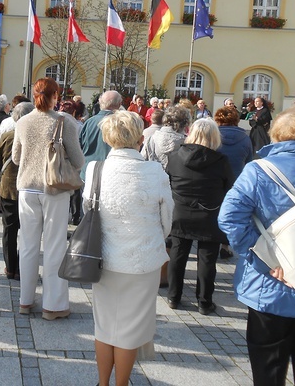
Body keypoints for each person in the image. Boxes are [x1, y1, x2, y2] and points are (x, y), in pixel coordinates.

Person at [219, 107, 295, 386]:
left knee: (268, 371)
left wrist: (265, 261)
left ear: (276, 135)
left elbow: (229, 218)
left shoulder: (258, 171)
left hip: (270, 288)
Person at [84, 111, 172, 386]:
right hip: (142, 260)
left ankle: (102, 383)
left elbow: (88, 210)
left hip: (104, 258)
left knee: (105, 324)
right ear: (138, 136)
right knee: (130, 328)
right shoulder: (155, 171)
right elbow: (167, 219)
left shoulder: (95, 169)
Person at [13, 77, 85, 320]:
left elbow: (15, 158)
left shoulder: (22, 121)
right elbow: (78, 161)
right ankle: (53, 306)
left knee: (28, 245)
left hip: (27, 188)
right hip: (54, 189)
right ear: (55, 96)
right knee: (54, 246)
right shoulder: (66, 122)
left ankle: (25, 301)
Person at [165, 119, 234, 315]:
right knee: (207, 259)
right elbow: (229, 187)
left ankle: (173, 296)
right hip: (209, 213)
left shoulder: (174, 157)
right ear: (215, 137)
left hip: (180, 211)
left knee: (178, 254)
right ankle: (204, 301)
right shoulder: (221, 161)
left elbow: (167, 182)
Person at [0, 101, 34, 280]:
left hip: (9, 189)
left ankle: (10, 268)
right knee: (28, 231)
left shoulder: (8, 136)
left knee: (10, 229)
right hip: (30, 189)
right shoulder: (36, 137)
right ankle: (24, 268)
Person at [214, 105, 253, 260]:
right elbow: (249, 161)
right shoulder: (245, 138)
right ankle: (225, 245)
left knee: (214, 211)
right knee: (229, 214)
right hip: (235, 182)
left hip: (215, 181)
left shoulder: (214, 136)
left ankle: (212, 243)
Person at [79, 90, 122, 179]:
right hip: (111, 173)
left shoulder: (89, 122)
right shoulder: (121, 123)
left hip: (88, 172)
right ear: (119, 104)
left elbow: (79, 146)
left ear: (100, 103)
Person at [141, 105, 191, 170]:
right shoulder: (186, 143)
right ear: (185, 124)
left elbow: (142, 161)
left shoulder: (152, 139)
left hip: (154, 177)